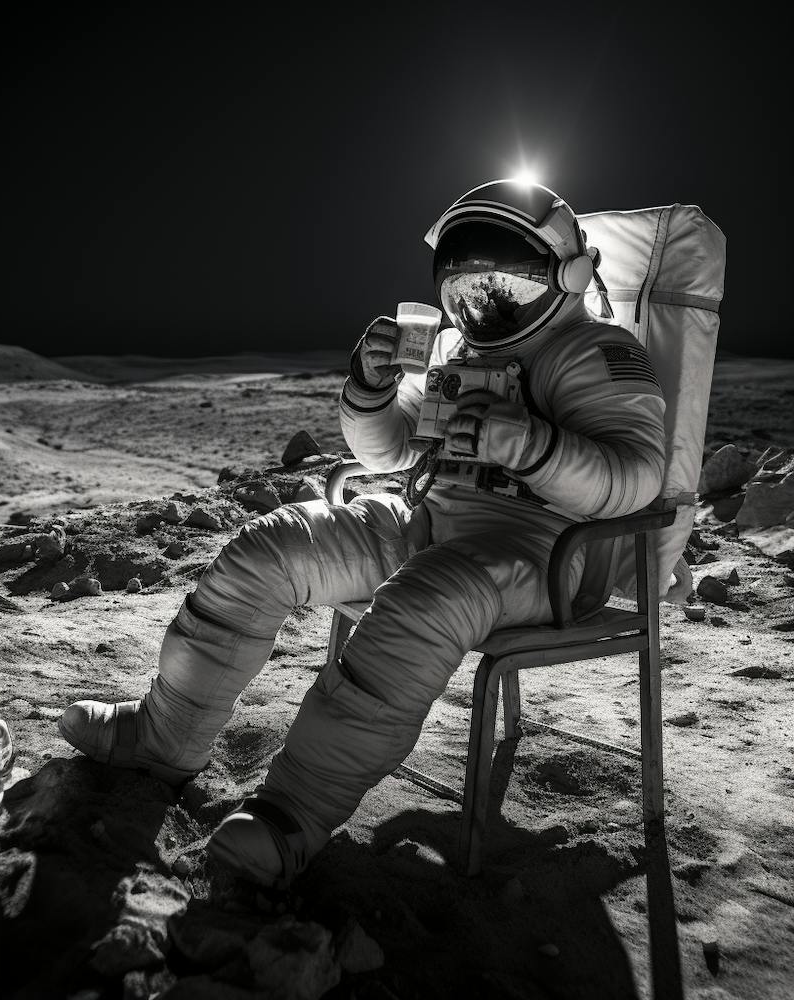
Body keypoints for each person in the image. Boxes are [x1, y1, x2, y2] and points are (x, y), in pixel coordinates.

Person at [59, 179, 666, 888]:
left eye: (502, 288)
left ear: (563, 277)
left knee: (420, 600)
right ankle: (159, 739)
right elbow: (388, 452)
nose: (482, 307)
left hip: (542, 554)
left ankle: (291, 816)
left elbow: (637, 477)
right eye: (467, 289)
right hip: (430, 522)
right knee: (272, 547)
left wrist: (533, 448)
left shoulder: (594, 352)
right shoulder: (454, 352)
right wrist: (371, 390)